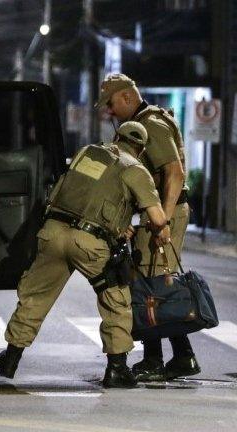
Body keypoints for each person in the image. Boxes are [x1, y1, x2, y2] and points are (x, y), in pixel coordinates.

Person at [0, 122, 170, 388]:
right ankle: (116, 369)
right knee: (115, 299)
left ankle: (11, 357)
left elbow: (75, 191)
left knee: (35, 297)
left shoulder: (88, 152)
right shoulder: (136, 169)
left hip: (53, 233)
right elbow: (157, 218)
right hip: (90, 244)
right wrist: (160, 228)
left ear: (116, 136)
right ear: (141, 148)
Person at [96, 73, 198, 382]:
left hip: (165, 212)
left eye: (111, 104)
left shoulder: (151, 123)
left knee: (148, 285)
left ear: (126, 97)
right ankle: (182, 357)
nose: (109, 111)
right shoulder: (138, 124)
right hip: (152, 214)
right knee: (148, 282)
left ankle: (157, 359)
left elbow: (174, 173)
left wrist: (161, 222)